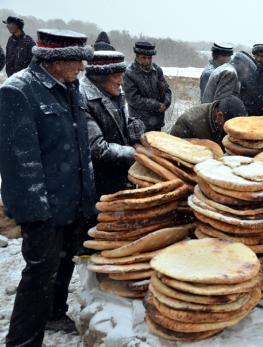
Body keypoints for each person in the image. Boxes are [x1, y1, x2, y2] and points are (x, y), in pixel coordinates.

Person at [0, 29, 97, 346]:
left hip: (71, 205)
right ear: (55, 61)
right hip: (44, 212)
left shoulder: (70, 89)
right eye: (77, 62)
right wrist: (37, 218)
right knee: (38, 281)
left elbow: (80, 149)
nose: (82, 68)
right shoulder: (19, 91)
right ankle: (22, 342)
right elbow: (20, 165)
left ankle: (54, 314)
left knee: (60, 272)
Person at [81, 50, 145, 198]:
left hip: (119, 175)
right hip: (100, 182)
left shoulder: (113, 92)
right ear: (100, 77)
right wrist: (135, 153)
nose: (121, 81)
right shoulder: (84, 99)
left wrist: (132, 127)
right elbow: (97, 148)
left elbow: (115, 124)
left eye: (122, 75)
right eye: (116, 76)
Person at [123, 41, 172, 131]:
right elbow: (133, 99)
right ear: (137, 57)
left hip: (157, 123)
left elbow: (166, 90)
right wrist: (156, 105)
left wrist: (166, 102)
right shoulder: (129, 73)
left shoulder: (157, 70)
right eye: (144, 58)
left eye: (149, 58)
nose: (147, 61)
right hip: (139, 125)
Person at [170, 95, 246, 142]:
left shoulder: (232, 121)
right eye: (230, 129)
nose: (233, 133)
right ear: (219, 116)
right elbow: (172, 148)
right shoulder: (188, 123)